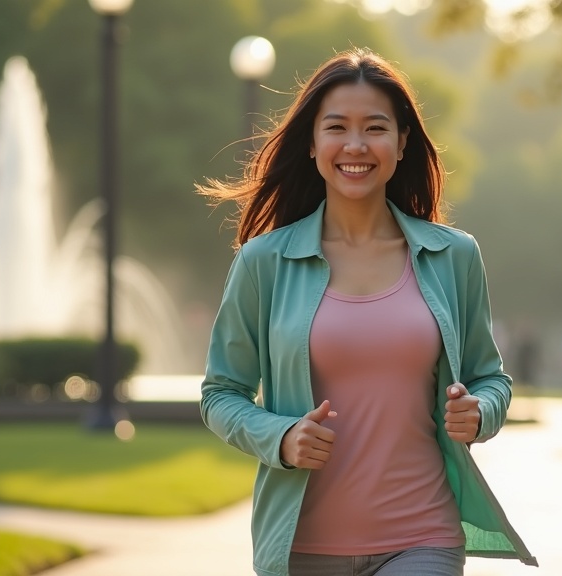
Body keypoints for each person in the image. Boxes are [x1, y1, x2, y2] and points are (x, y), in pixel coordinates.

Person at [198, 48, 536, 576]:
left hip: (423, 536)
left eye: (375, 128)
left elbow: (490, 378)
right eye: (337, 127)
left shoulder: (454, 256)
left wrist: (481, 412)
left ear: (402, 141)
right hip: (302, 547)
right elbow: (221, 393)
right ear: (312, 143)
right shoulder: (264, 262)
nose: (356, 145)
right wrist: (280, 438)